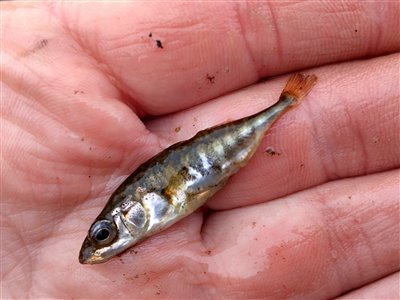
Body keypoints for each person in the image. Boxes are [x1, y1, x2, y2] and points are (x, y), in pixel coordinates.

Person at [1, 2, 399, 299]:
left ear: (132, 209)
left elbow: (189, 186)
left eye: (107, 234)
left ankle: (286, 102)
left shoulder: (153, 202)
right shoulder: (148, 212)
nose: (109, 240)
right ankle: (284, 103)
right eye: (105, 236)